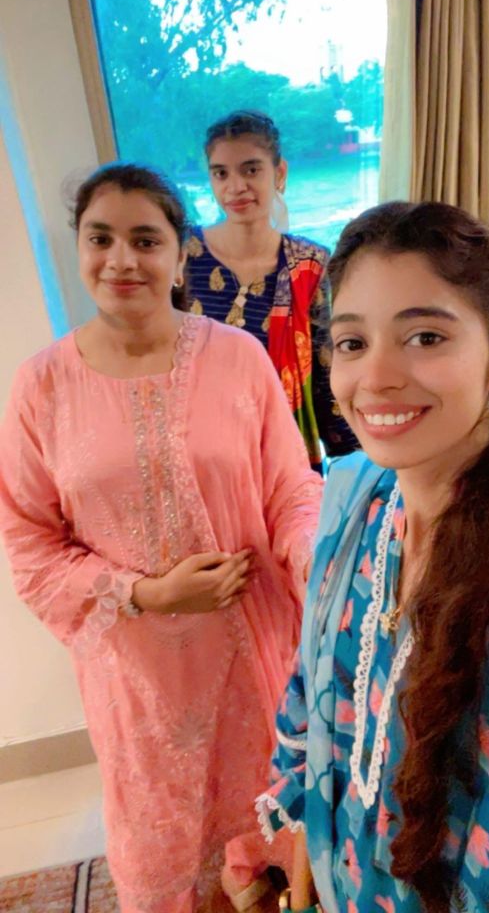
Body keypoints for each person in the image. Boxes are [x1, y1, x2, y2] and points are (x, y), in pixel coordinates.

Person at [0, 163, 323, 913]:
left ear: (180, 256)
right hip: (137, 674)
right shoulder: (41, 386)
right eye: (100, 239)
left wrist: (316, 559)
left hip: (253, 646)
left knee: (272, 806)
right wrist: (145, 594)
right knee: (163, 840)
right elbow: (30, 542)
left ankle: (256, 871)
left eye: (145, 240)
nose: (122, 260)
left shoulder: (236, 357)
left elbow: (290, 488)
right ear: (79, 249)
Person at [256, 202, 489, 913]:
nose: (375, 377)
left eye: (425, 336)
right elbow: (314, 699)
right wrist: (303, 850)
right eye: (351, 342)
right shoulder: (358, 507)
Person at [184, 110, 357, 473]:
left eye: (250, 170)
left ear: (279, 174)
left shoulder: (308, 263)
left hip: (284, 452)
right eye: (221, 173)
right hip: (201, 452)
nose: (235, 187)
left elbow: (324, 369)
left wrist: (354, 467)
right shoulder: (184, 256)